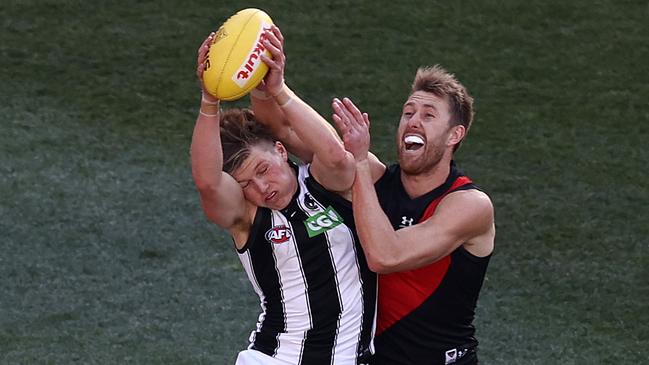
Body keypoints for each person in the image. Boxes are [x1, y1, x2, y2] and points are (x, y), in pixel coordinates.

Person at [191, 27, 376, 365]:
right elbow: (207, 182)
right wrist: (209, 100)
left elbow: (337, 155)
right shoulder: (248, 217)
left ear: (280, 150)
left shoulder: (325, 184)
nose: (261, 188)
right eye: (246, 183)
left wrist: (275, 89)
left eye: (262, 170)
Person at [331, 66, 495, 365]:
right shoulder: (378, 181)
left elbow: (385, 256)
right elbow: (292, 132)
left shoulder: (470, 206)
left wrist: (359, 164)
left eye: (428, 115)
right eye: (408, 113)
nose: (413, 122)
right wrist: (273, 90)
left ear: (454, 135)